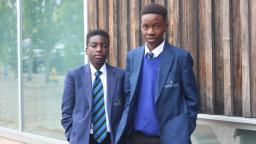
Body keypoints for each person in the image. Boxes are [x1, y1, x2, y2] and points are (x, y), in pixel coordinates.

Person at [115, 3, 200, 144]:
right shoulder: (133, 56)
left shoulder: (180, 58)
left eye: (156, 26)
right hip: (136, 137)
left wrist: (183, 131)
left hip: (170, 139)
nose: (150, 32)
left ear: (165, 25)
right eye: (145, 27)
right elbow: (129, 96)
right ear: (141, 27)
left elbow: (192, 100)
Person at [61, 30, 125, 144]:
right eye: (94, 45)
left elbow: (126, 109)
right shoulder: (74, 76)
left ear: (108, 50)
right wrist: (72, 136)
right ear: (86, 50)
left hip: (112, 138)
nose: (99, 49)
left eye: (104, 45)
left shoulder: (120, 75)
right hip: (83, 138)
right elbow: (66, 112)